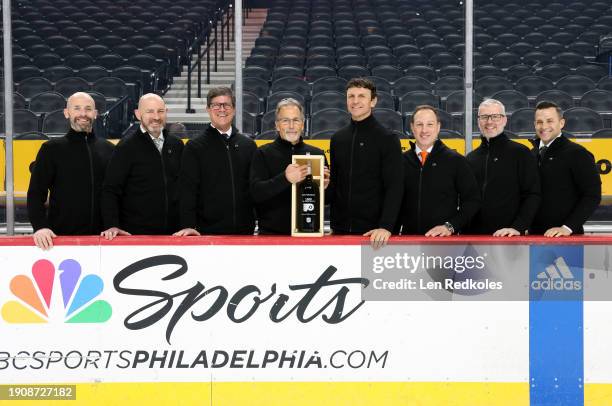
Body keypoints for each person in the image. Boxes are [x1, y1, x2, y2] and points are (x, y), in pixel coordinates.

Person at [27, 92, 114, 250]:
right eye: (77, 108)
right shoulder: (51, 149)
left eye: (88, 109)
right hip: (60, 241)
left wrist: (114, 224)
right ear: (67, 113)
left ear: (95, 114)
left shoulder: (109, 149)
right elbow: (35, 193)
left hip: (103, 241)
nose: (83, 114)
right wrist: (40, 226)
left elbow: (116, 193)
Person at [328, 77, 403, 248]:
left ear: (373, 101)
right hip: (340, 230)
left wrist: (386, 226)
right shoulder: (337, 139)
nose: (355, 101)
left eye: (361, 96)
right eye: (351, 96)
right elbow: (335, 184)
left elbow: (395, 187)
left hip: (374, 233)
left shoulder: (387, 139)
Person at [174, 87, 257, 235]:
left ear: (234, 109)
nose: (222, 109)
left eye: (226, 105)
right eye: (216, 105)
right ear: (208, 109)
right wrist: (188, 225)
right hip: (207, 233)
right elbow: (187, 191)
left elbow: (254, 187)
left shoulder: (248, 145)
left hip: (245, 231)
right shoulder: (195, 147)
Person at [100, 94, 184, 239]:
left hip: (174, 234)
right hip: (137, 236)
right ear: (138, 114)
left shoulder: (177, 145)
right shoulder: (126, 147)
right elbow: (110, 189)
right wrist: (111, 224)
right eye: (150, 111)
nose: (156, 117)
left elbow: (185, 188)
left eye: (160, 111)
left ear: (166, 112)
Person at [250, 98, 329, 234]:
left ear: (303, 124)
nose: (291, 126)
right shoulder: (262, 153)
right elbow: (256, 194)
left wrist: (325, 188)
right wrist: (285, 179)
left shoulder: (317, 154)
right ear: (277, 125)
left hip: (308, 233)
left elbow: (327, 201)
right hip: (271, 236)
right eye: (285, 121)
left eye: (296, 120)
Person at [397, 105, 480, 236]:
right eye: (419, 124)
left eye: (430, 124)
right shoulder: (401, 161)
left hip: (444, 244)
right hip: (408, 243)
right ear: (412, 127)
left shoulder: (456, 160)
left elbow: (472, 200)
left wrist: (451, 226)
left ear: (438, 127)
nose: (424, 130)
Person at [466, 99, 540, 236]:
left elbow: (532, 195)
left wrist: (518, 227)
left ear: (504, 120)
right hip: (473, 238)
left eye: (495, 116)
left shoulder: (521, 153)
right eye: (484, 117)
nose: (489, 122)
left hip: (509, 237)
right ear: (478, 121)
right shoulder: (471, 158)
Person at [529, 101, 601, 236]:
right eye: (539, 122)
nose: (544, 126)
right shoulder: (531, 154)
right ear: (534, 125)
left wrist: (567, 228)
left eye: (550, 121)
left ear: (561, 123)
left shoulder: (577, 153)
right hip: (533, 236)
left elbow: (592, 195)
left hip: (567, 239)